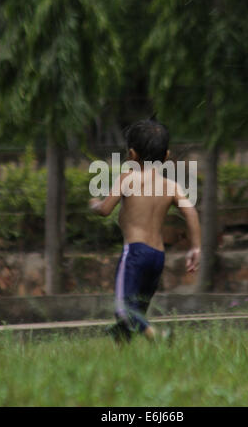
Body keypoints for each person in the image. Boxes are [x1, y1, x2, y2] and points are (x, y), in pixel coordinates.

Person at [89, 117, 201, 342]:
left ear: (132, 155)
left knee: (124, 309)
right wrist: (195, 247)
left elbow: (105, 210)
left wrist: (94, 204)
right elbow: (191, 212)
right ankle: (122, 347)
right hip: (157, 257)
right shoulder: (171, 186)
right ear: (166, 156)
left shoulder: (127, 179)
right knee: (135, 312)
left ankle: (157, 338)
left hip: (135, 253)